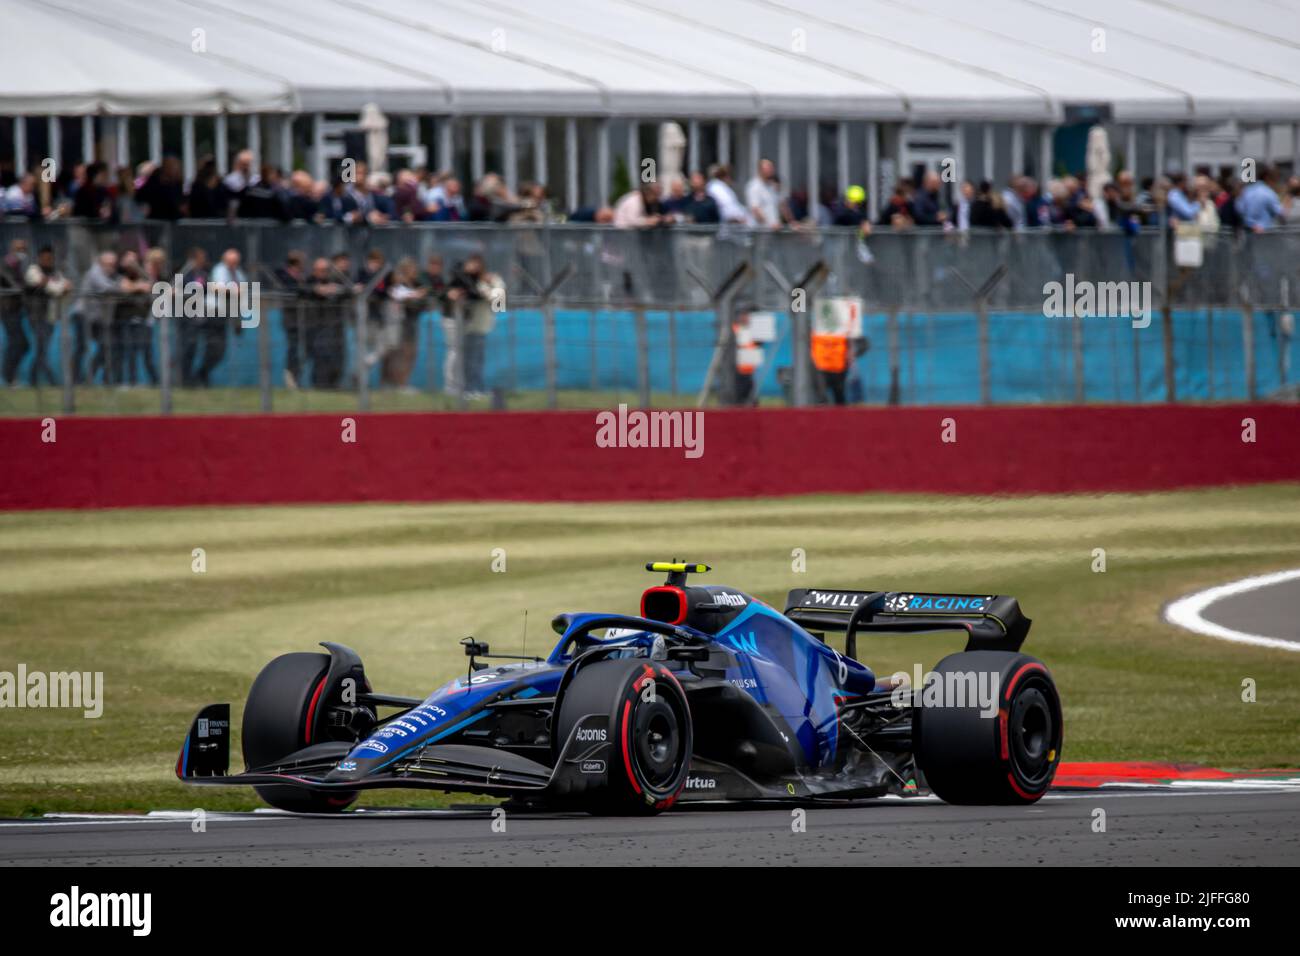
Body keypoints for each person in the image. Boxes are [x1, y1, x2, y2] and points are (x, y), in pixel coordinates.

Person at [445, 254, 501, 399]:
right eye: (471, 264)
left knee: (477, 361)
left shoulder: (490, 280)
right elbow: (452, 289)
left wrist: (488, 287)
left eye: (477, 265)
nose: (474, 268)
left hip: (482, 325)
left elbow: (499, 305)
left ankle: (477, 388)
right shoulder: (464, 280)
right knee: (469, 361)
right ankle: (470, 389)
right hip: (467, 325)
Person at [22, 246, 72, 386]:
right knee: (41, 347)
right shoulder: (33, 270)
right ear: (39, 258)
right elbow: (48, 285)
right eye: (45, 258)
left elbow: (66, 287)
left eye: (50, 258)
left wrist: (60, 286)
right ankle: (51, 382)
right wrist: (60, 286)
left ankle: (34, 380)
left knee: (42, 349)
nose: (48, 260)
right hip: (36, 315)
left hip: (50, 316)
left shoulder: (55, 272)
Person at [383, 257, 428, 388]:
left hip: (412, 321)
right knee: (402, 353)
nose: (414, 271)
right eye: (411, 269)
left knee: (411, 353)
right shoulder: (398, 284)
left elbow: (425, 293)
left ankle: (404, 381)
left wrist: (419, 293)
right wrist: (416, 294)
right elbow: (398, 294)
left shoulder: (416, 283)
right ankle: (399, 383)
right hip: (401, 322)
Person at [177, 248, 210, 387]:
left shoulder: (203, 274)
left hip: (198, 315)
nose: (203, 261)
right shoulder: (185, 273)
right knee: (186, 348)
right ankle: (184, 379)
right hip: (186, 315)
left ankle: (191, 378)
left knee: (194, 348)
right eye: (201, 258)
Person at [1, 240, 30, 384]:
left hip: (16, 310)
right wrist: (25, 287)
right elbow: (14, 284)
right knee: (17, 342)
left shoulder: (20, 266)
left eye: (23, 249)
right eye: (18, 249)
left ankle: (10, 374)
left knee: (22, 344)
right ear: (12, 249)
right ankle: (9, 375)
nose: (21, 252)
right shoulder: (5, 264)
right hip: (7, 309)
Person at [745, 158, 784, 228]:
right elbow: (755, 210)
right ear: (760, 170)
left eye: (772, 167)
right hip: (760, 232)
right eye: (768, 168)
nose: (771, 170)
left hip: (773, 230)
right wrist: (770, 224)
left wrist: (792, 222)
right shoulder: (754, 186)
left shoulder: (772, 186)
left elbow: (781, 205)